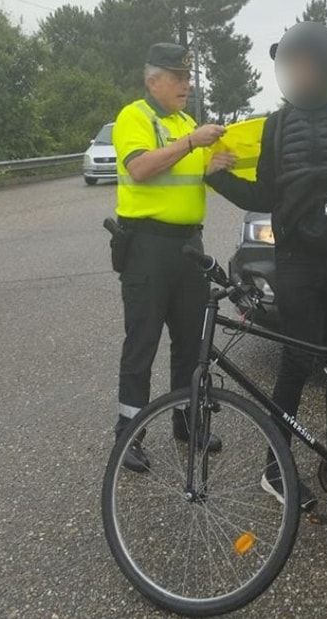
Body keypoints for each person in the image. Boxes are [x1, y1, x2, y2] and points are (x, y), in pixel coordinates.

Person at [204, 23, 327, 511]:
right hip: (294, 261)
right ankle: (275, 470)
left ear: (326, 65)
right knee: (295, 362)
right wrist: (219, 179)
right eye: (289, 66)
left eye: (303, 64)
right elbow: (266, 196)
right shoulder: (276, 125)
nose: (296, 73)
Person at [110, 43, 227, 472]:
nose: (186, 84)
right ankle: (130, 433)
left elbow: (188, 173)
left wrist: (215, 164)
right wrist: (191, 141)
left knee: (190, 342)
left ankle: (185, 420)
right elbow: (140, 168)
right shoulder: (135, 117)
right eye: (177, 77)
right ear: (152, 79)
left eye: (188, 77)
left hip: (188, 246)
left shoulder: (184, 122)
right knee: (142, 341)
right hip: (148, 246)